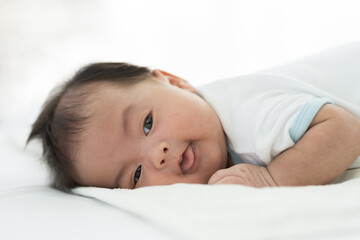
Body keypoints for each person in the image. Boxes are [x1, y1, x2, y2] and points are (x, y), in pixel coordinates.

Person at [27, 43, 360, 192]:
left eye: (147, 123)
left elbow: (344, 128)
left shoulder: (246, 114)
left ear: (175, 82)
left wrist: (272, 179)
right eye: (136, 174)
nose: (156, 155)